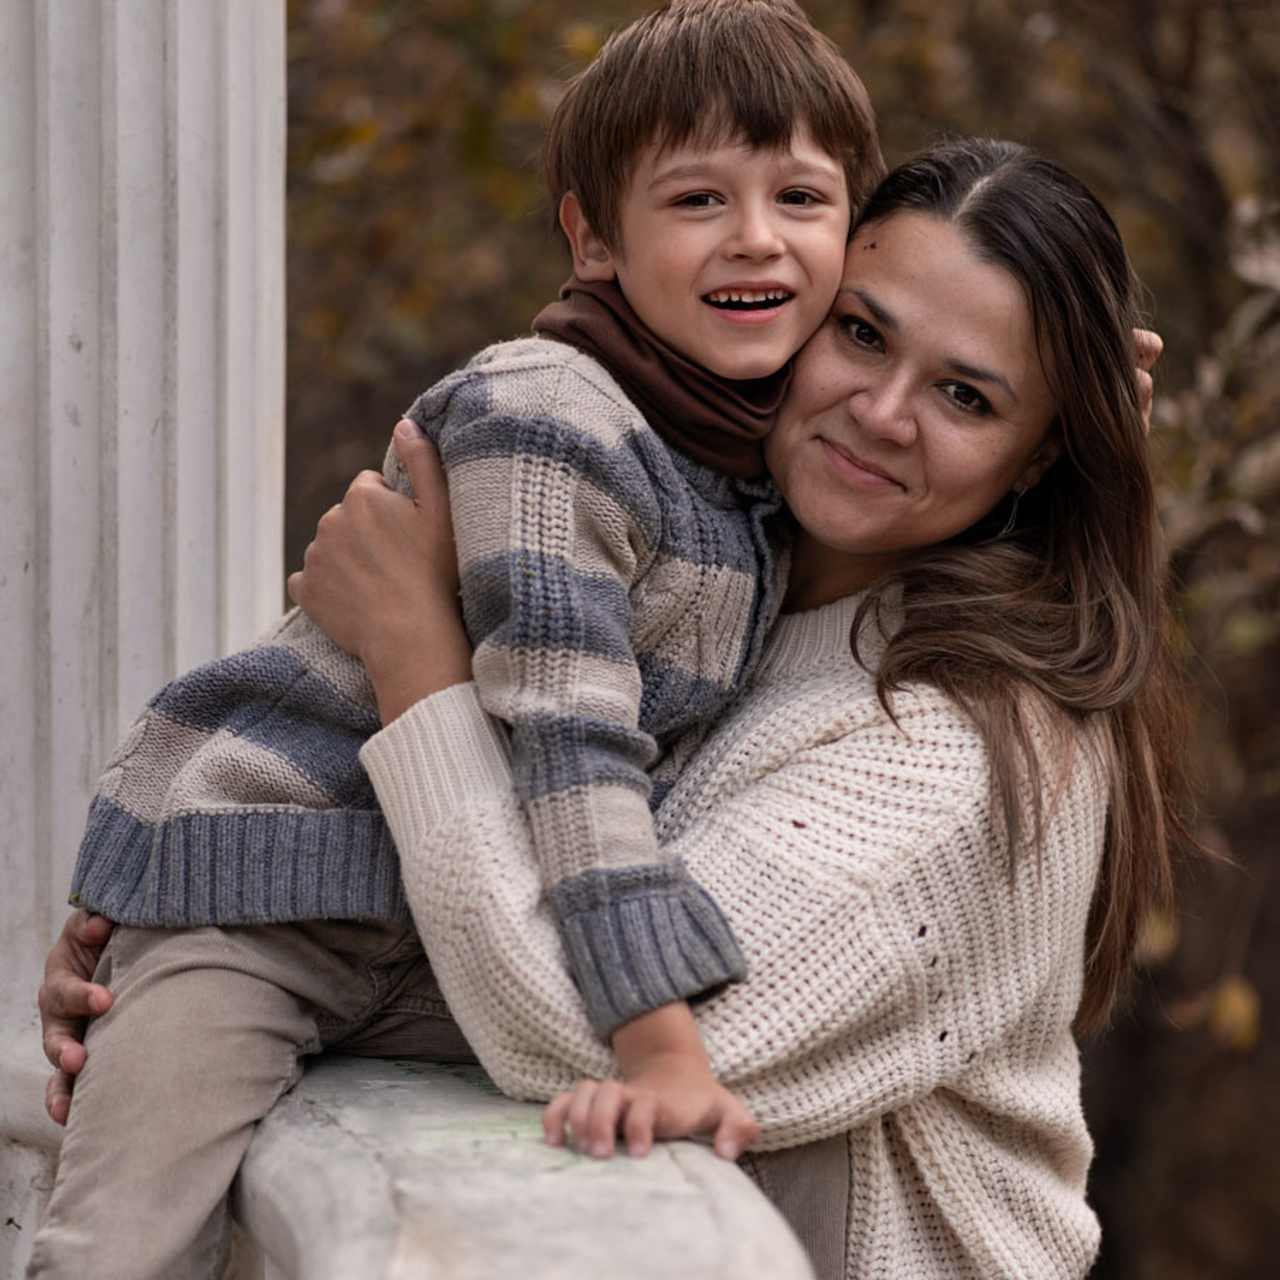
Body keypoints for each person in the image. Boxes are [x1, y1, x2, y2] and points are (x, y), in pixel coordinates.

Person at [27, 3, 882, 1276]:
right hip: (267, 911)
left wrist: (1075, 392)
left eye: (799, 198)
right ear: (593, 239)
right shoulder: (547, 418)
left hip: (440, 947)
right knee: (120, 1246)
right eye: (697, 198)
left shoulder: (744, 465)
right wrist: (658, 1044)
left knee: (774, 1137)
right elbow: (570, 743)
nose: (755, 236)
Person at [276, 138, 1192, 1277]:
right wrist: (193, 911)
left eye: (965, 395)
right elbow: (542, 856)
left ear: (1036, 456)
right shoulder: (708, 583)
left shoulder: (954, 750)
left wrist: (415, 658)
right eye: (861, 333)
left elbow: (579, 1030)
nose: (881, 411)